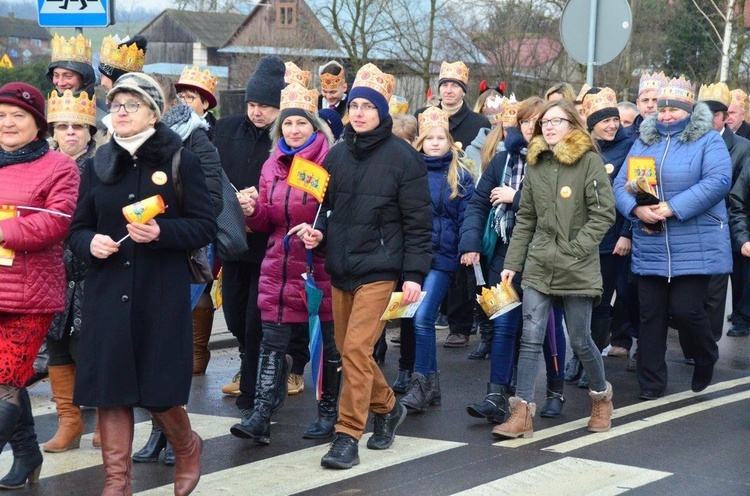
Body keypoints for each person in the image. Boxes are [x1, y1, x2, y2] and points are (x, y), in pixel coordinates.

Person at [68, 73, 217, 495]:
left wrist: (162, 234)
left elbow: (205, 226)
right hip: (107, 293)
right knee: (110, 390)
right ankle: (117, 483)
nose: (121, 111)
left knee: (158, 389)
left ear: (154, 111)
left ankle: (187, 446)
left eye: (132, 104)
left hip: (160, 292)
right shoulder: (98, 164)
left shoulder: (179, 159)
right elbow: (78, 228)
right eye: (116, 104)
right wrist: (89, 243)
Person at [301, 63, 432, 469]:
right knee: (349, 351)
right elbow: (328, 209)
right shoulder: (337, 154)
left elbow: (418, 223)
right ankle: (389, 407)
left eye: (367, 107)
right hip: (341, 265)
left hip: (381, 267)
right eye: (353, 106)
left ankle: (347, 435)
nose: (358, 113)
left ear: (381, 112)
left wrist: (412, 276)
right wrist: (319, 233)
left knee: (356, 348)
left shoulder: (404, 159)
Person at [494, 99, 615, 439]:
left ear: (573, 125)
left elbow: (604, 213)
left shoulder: (589, 161)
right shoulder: (536, 163)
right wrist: (513, 263)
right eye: (544, 122)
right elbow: (527, 218)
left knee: (579, 340)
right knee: (530, 337)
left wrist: (576, 248)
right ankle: (521, 414)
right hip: (539, 263)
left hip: (577, 266)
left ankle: (601, 396)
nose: (547, 126)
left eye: (556, 121)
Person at [230, 82, 341, 443]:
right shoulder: (271, 164)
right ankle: (261, 413)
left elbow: (341, 216)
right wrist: (252, 210)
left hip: (319, 267)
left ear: (315, 127)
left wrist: (320, 232)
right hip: (278, 264)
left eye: (302, 124)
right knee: (272, 342)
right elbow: (267, 221)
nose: (294, 131)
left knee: (327, 345)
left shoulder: (333, 163)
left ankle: (328, 413)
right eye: (289, 125)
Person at [613, 76, 731, 400]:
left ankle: (706, 356)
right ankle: (651, 383)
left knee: (686, 310)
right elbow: (621, 185)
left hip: (693, 243)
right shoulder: (644, 141)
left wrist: (671, 208)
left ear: (689, 111)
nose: (665, 116)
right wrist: (636, 211)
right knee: (651, 315)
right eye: (662, 110)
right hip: (651, 243)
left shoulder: (707, 140)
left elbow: (718, 181)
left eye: (673, 110)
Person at [130, 73, 224, 467]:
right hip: (141, 256)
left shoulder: (197, 142)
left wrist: (162, 224)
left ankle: (174, 434)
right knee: (147, 343)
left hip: (181, 255)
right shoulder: (138, 142)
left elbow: (212, 204)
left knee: (169, 345)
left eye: (151, 100)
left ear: (167, 104)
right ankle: (158, 429)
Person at [461, 96, 569, 425]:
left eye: (539, 121)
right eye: (525, 122)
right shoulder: (503, 160)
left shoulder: (562, 159)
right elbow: (479, 202)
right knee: (503, 323)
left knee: (550, 327)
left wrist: (515, 197)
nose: (531, 127)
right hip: (506, 253)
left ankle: (554, 390)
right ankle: (496, 394)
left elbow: (561, 207)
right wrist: (471, 242)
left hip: (549, 253)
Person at [0, 82, 80, 489]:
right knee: (8, 381)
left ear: (37, 124)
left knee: (5, 380)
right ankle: (28, 455)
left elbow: (56, 223)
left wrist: (2, 230)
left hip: (30, 293)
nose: (8, 123)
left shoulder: (58, 166)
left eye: (18, 115)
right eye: (1, 116)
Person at [213, 57, 285, 405]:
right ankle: (249, 360)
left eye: (267, 107)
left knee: (257, 315)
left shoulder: (285, 138)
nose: (258, 113)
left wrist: (261, 196)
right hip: (231, 237)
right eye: (253, 105)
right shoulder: (226, 129)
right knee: (234, 312)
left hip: (268, 240)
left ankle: (254, 383)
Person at [400, 106, 474, 413]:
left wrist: (464, 248)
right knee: (414, 318)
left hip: (443, 258)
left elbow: (468, 216)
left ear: (449, 140)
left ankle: (422, 381)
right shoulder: (410, 172)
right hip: (414, 256)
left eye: (440, 137)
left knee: (422, 317)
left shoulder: (461, 175)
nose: (434, 142)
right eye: (428, 137)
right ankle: (430, 384)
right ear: (420, 141)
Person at [417, 61, 490, 349]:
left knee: (461, 271)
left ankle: (460, 325)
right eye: (444, 84)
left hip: (459, 191)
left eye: (454, 85)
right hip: (429, 202)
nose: (448, 90)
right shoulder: (422, 115)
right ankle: (423, 320)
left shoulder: (477, 123)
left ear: (463, 91)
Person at [42, 89, 100, 455]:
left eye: (78, 126)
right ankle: (70, 422)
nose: (71, 133)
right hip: (51, 274)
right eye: (63, 126)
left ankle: (108, 424)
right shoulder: (43, 166)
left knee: (93, 351)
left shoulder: (105, 164)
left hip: (94, 273)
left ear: (90, 130)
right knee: (58, 348)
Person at [577, 88, 635, 377]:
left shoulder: (632, 147)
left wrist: (626, 233)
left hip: (613, 240)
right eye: (605, 120)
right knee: (581, 300)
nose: (612, 125)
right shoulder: (582, 148)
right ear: (591, 125)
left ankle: (590, 365)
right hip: (584, 238)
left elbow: (637, 193)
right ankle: (577, 359)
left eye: (615, 119)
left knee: (601, 301)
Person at [696, 83, 750, 341]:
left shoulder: (741, 147)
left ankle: (709, 339)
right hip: (693, 223)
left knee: (724, 285)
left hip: (725, 223)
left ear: (723, 118)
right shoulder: (690, 142)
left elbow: (740, 190)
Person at [174, 66, 220, 140]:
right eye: (181, 97)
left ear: (205, 104)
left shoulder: (217, 133)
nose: (182, 101)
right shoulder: (168, 125)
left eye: (189, 97)